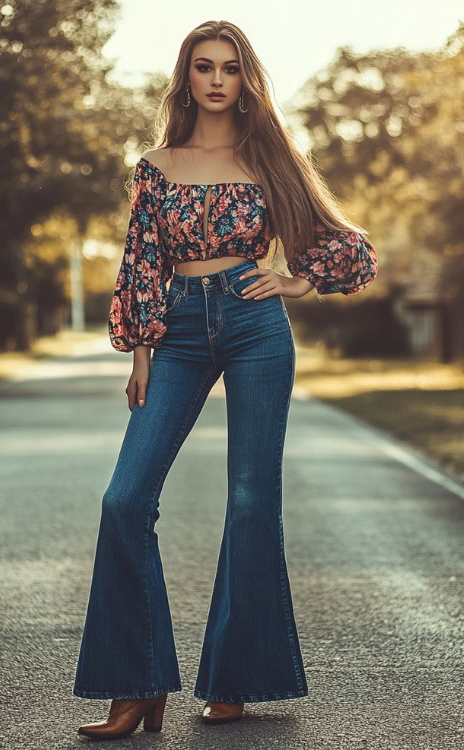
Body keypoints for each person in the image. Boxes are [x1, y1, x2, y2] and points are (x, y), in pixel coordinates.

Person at [73, 20, 378, 739]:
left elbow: (353, 248)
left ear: (246, 81)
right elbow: (140, 260)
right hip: (175, 330)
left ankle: (236, 681)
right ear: (188, 78)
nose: (216, 79)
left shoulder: (268, 157)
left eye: (230, 68)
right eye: (204, 67)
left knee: (249, 502)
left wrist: (297, 280)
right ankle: (136, 684)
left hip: (253, 323)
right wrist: (142, 348)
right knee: (124, 499)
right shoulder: (155, 165)